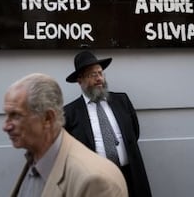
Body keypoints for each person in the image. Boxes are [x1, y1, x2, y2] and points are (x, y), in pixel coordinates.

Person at [2, 73, 128, 197]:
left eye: (16, 116)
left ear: (48, 118)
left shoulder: (95, 181)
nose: (6, 126)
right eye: (7, 115)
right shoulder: (34, 161)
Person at [64, 50, 152, 197]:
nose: (99, 78)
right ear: (80, 80)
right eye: (93, 75)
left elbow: (134, 135)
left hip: (130, 177)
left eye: (100, 73)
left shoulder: (122, 101)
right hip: (94, 183)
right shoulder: (70, 113)